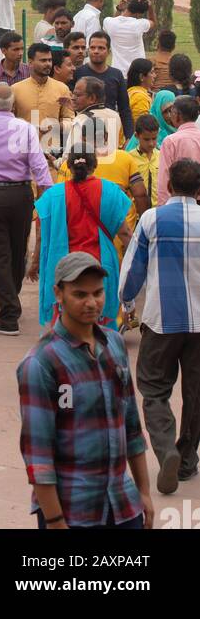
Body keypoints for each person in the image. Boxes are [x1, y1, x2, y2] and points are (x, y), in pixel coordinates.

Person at [17, 252, 153, 531]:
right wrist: (55, 521)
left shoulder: (114, 345)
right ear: (59, 294)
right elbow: (38, 454)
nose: (91, 303)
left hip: (123, 505)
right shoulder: (40, 363)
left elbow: (132, 428)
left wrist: (144, 493)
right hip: (72, 510)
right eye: (80, 294)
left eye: (98, 293)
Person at [120, 158, 200, 494]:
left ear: (167, 185)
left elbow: (132, 269)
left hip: (159, 320)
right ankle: (185, 458)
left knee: (153, 390)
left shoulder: (151, 219)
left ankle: (166, 447)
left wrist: (126, 302)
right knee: (196, 394)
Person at [0, 83, 53, 335]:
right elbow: (38, 163)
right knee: (17, 250)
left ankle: (8, 315)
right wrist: (45, 193)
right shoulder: (25, 128)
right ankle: (11, 303)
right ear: (13, 105)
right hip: (21, 194)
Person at [30, 147, 132, 327]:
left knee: (66, 320)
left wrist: (35, 263)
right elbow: (125, 233)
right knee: (101, 318)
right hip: (101, 265)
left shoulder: (54, 195)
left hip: (64, 267)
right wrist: (136, 261)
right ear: (95, 165)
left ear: (68, 166)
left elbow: (40, 235)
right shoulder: (110, 191)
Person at [10, 43, 74, 160]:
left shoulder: (62, 88)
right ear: (30, 62)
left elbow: (71, 121)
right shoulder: (15, 89)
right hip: (22, 155)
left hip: (52, 157)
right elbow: (8, 122)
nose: (48, 64)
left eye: (49, 60)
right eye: (43, 60)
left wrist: (56, 126)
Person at [74, 31, 136, 140]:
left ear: (109, 51)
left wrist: (129, 137)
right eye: (92, 48)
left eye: (101, 48)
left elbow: (124, 108)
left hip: (110, 129)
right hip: (82, 131)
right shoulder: (78, 73)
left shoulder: (116, 75)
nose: (96, 51)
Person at [156, 95, 200, 206]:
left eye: (172, 112)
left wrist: (163, 206)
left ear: (178, 116)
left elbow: (164, 177)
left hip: (179, 201)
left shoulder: (171, 141)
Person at [104, 0, 153, 77]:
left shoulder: (108, 22)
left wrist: (119, 10)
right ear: (138, 14)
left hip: (117, 73)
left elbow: (113, 22)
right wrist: (150, 7)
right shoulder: (140, 24)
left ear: (128, 7)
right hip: (138, 73)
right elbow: (153, 21)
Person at [126, 57, 155, 125]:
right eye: (152, 72)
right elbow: (143, 127)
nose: (155, 75)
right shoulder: (139, 97)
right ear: (141, 77)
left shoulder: (131, 92)